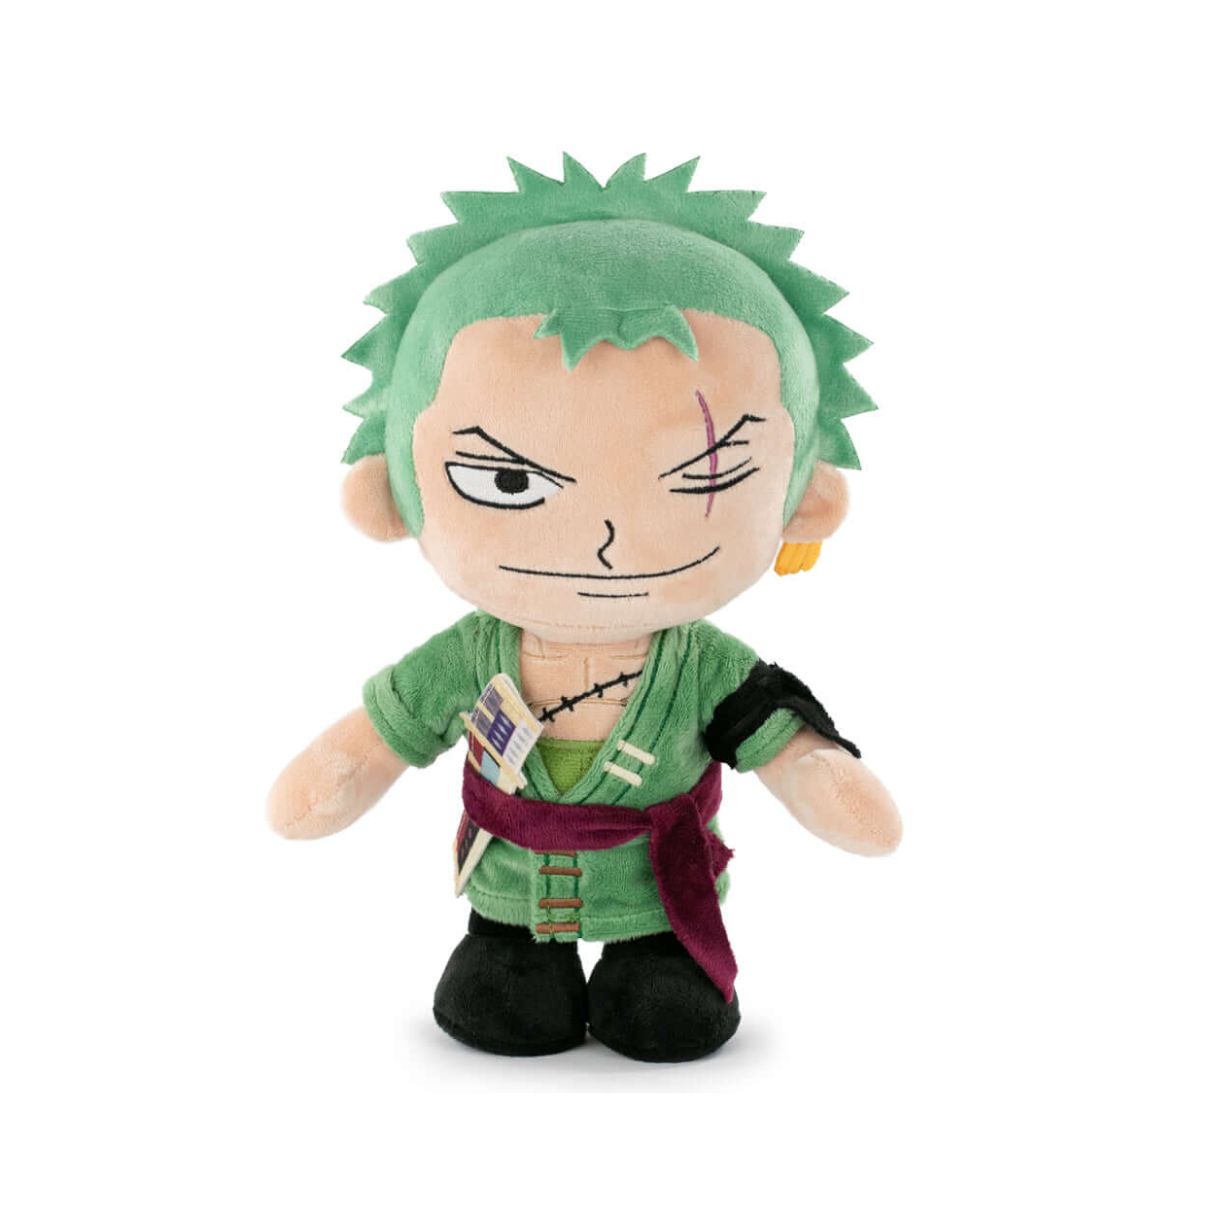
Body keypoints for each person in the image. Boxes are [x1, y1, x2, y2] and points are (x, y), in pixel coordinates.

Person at [267, 155, 902, 1062]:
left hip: (660, 894)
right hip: (512, 894)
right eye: (507, 479)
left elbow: (782, 746)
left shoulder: (705, 666)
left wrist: (825, 780)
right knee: (504, 997)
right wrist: (332, 783)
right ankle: (522, 958)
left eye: (704, 476)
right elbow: (380, 736)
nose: (607, 538)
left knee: (663, 1004)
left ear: (804, 498)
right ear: (390, 493)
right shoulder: (471, 654)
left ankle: (654, 963)